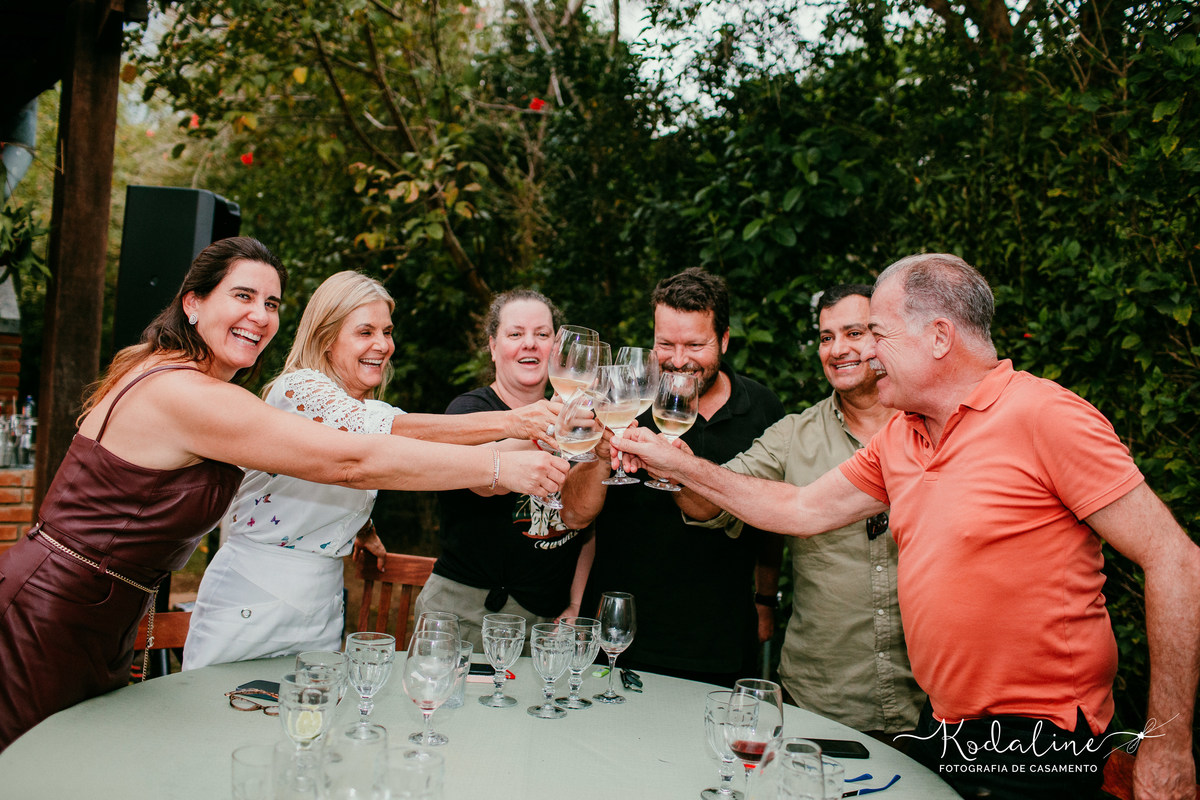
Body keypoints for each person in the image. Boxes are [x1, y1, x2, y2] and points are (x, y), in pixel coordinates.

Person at [615, 253, 1200, 800]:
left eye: (879, 335)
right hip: (942, 727)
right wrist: (680, 463)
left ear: (939, 337)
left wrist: (1169, 741)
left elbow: (1176, 559)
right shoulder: (903, 435)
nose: (868, 354)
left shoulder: (1046, 416)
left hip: (1042, 740)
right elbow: (797, 509)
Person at [0, 238, 568, 751]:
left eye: (271, 303)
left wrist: (362, 524)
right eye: (243, 295)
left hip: (106, 611)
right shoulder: (190, 392)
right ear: (192, 302)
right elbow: (352, 456)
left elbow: (372, 434)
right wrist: (499, 461)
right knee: (40, 768)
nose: (259, 315)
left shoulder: (199, 383)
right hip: (57, 606)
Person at [183, 272, 563, 668]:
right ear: (326, 338)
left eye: (386, 331)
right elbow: (370, 448)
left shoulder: (363, 408)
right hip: (256, 590)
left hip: (323, 598)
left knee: (308, 718)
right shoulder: (297, 389)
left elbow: (356, 458)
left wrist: (359, 527)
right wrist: (513, 425)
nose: (382, 345)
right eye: (365, 332)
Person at [679, 283, 925, 737]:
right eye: (827, 336)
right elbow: (712, 504)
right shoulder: (794, 435)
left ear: (886, 338)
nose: (837, 349)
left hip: (933, 702)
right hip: (821, 698)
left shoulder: (938, 431)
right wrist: (677, 467)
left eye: (855, 332)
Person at [565, 267, 785, 686]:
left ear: (723, 340)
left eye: (695, 345)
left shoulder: (762, 408)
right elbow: (574, 516)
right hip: (618, 638)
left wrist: (765, 601)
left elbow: (772, 523)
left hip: (718, 642)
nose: (679, 360)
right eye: (665, 343)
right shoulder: (622, 397)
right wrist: (599, 457)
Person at [413, 289, 598, 648]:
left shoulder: (581, 421)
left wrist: (576, 602)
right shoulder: (468, 412)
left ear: (558, 351)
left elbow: (585, 527)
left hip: (549, 624)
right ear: (493, 347)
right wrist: (551, 425)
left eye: (542, 335)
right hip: (465, 614)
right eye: (515, 334)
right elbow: (485, 480)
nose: (530, 344)